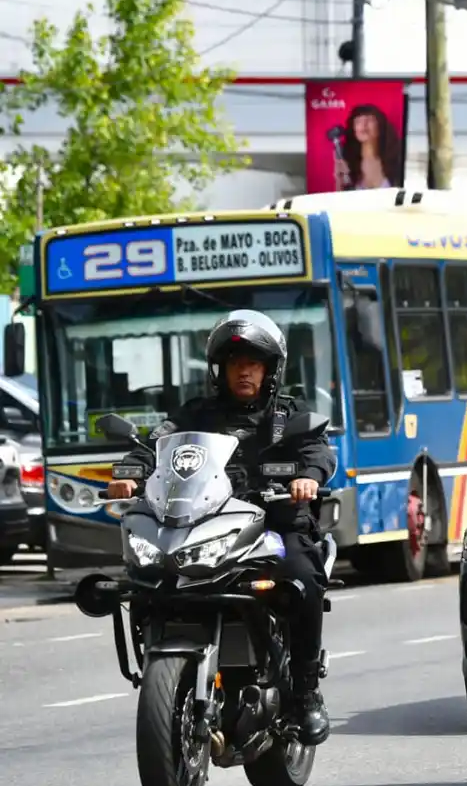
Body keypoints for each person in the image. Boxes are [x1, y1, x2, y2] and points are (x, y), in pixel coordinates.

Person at [105, 310, 337, 747]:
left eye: (253, 363)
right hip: (207, 524)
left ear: (269, 370)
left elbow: (317, 451)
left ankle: (306, 691)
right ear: (220, 370)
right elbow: (158, 446)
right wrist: (131, 472)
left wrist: (309, 477)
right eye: (235, 364)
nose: (244, 371)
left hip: (275, 522)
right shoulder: (196, 415)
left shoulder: (289, 417)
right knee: (147, 577)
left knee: (303, 580)